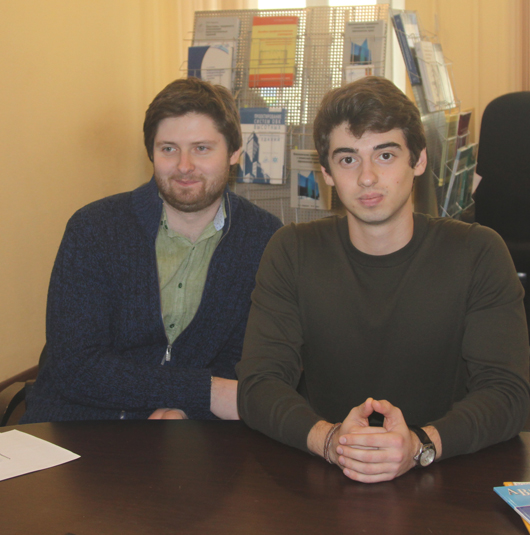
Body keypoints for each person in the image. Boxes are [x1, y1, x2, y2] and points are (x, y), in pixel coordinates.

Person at [236, 76, 530, 483]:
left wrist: (419, 445)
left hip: (448, 476)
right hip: (327, 476)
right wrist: (332, 441)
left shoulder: (478, 252)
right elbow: (258, 386)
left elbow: (508, 394)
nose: (367, 177)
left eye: (386, 155)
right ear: (326, 172)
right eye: (348, 159)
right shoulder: (292, 250)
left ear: (419, 160)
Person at [22, 78, 282, 423]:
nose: (184, 165)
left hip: (193, 430)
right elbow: (75, 366)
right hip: (76, 423)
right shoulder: (94, 229)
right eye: (168, 149)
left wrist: (183, 410)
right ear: (151, 153)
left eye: (202, 148)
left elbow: (244, 361)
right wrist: (201, 393)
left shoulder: (264, 238)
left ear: (234, 153)